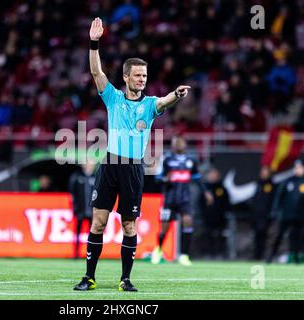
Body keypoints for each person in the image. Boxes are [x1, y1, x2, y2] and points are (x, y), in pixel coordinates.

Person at [74, 17, 192, 292]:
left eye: (145, 76)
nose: (142, 79)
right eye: (137, 75)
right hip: (111, 164)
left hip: (133, 169)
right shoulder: (113, 97)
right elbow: (95, 72)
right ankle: (89, 277)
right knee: (99, 222)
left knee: (129, 224)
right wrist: (94, 42)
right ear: (126, 77)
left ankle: (125, 279)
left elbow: (165, 100)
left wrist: (176, 93)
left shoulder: (151, 104)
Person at [151, 136, 213, 265]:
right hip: (169, 199)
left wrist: (206, 192)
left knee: (188, 222)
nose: (178, 144)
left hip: (185, 199)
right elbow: (157, 179)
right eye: (176, 142)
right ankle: (159, 250)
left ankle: (184, 255)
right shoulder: (166, 159)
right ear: (173, 145)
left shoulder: (191, 160)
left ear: (185, 144)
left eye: (180, 142)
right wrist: (165, 179)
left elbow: (197, 178)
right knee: (165, 228)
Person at [267, 160, 304, 264]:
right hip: (286, 215)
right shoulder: (288, 181)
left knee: (297, 238)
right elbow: (279, 198)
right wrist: (275, 211)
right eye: (296, 168)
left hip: (299, 217)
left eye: (300, 168)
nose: (298, 170)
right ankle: (270, 257)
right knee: (279, 236)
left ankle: (296, 258)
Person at [200, 167, 230, 259]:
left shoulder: (222, 188)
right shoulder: (205, 189)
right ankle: (209, 253)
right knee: (208, 236)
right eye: (211, 174)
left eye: (215, 174)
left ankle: (220, 254)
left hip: (220, 218)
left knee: (220, 236)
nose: (213, 176)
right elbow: (200, 202)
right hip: (208, 217)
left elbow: (226, 202)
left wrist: (223, 213)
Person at [68, 163, 95, 259]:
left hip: (92, 211)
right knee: (77, 232)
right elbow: (72, 195)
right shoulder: (77, 177)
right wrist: (75, 209)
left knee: (93, 233)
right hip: (81, 210)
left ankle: (92, 254)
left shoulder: (95, 177)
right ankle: (76, 253)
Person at [251, 166, 276, 260]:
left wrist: (271, 214)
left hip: (265, 216)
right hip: (256, 215)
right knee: (257, 236)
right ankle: (256, 255)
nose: (263, 173)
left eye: (265, 172)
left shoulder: (271, 185)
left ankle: (263, 256)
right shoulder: (258, 184)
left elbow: (272, 201)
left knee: (264, 237)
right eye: (262, 171)